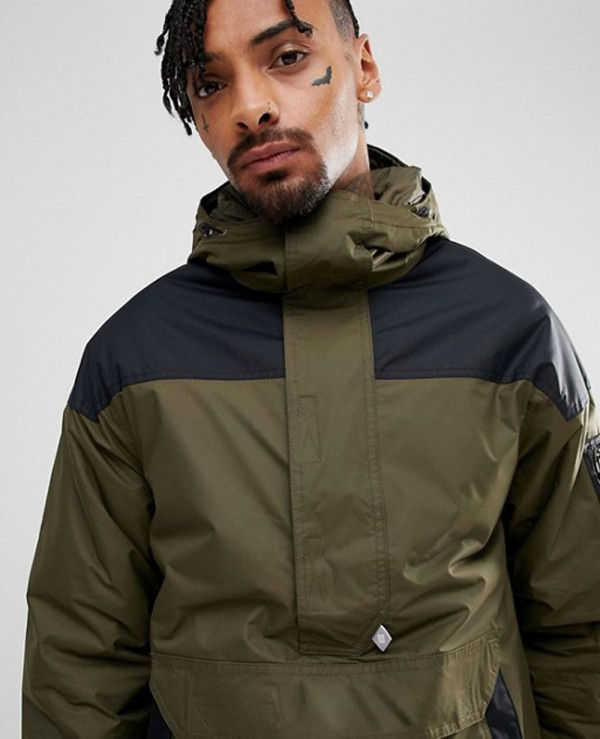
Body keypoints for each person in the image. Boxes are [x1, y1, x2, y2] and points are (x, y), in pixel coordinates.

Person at [22, 0, 600, 736]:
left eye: (288, 57)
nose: (250, 107)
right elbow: (79, 660)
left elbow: (582, 627)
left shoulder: (510, 333)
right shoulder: (132, 360)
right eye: (211, 83)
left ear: (364, 67)